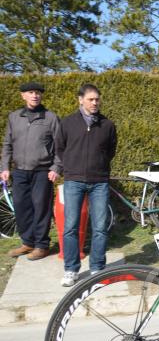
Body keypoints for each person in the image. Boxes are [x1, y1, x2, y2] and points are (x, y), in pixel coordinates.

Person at [56, 84, 118, 287]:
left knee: (100, 227)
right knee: (70, 227)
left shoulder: (107, 125)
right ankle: (71, 270)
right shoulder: (67, 123)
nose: (95, 102)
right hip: (73, 181)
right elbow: (60, 148)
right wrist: (71, 167)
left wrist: (98, 167)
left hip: (99, 182)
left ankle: (97, 268)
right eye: (91, 99)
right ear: (80, 100)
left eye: (97, 99)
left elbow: (110, 151)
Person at [1, 81, 61, 260]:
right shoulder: (14, 117)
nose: (35, 95)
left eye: (38, 93)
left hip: (42, 172)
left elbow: (60, 146)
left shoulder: (50, 118)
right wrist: (4, 166)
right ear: (23, 95)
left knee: (41, 208)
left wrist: (56, 167)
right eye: (31, 92)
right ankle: (27, 242)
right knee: (21, 207)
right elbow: (7, 145)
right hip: (19, 171)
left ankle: (42, 245)